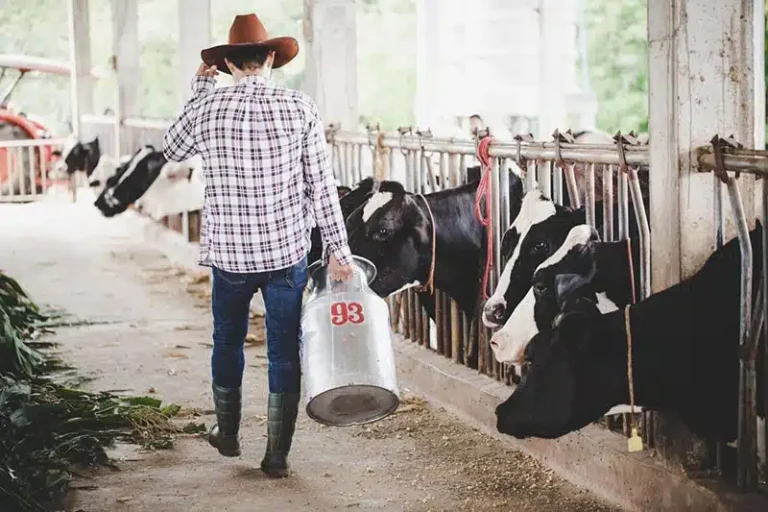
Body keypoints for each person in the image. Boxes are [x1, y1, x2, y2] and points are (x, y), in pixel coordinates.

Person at [162, 13, 354, 478]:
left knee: (227, 341)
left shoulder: (209, 108)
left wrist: (200, 88)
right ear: (270, 58)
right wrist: (338, 249)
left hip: (230, 257)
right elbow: (321, 185)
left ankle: (228, 434)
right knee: (284, 350)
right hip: (286, 253)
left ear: (228, 64)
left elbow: (171, 149)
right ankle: (277, 456)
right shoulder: (299, 107)